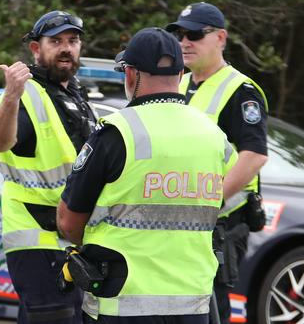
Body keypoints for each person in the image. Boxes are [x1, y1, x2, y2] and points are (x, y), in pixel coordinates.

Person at [57, 27, 237, 323]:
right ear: (181, 76)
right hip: (193, 304)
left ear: (130, 74)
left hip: (122, 303)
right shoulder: (214, 135)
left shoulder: (117, 131)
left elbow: (68, 221)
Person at [0, 10, 98, 323]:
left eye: (73, 40)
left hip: (71, 239)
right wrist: (11, 94)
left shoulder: (76, 95)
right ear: (36, 49)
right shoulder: (25, 93)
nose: (66, 47)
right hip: (38, 241)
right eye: (56, 41)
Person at [165, 2, 268, 324]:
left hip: (219, 225)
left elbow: (255, 155)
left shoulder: (240, 90)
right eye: (181, 34)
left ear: (220, 37)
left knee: (211, 311)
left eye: (195, 34)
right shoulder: (178, 84)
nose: (185, 42)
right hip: (180, 226)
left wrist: (208, 202)